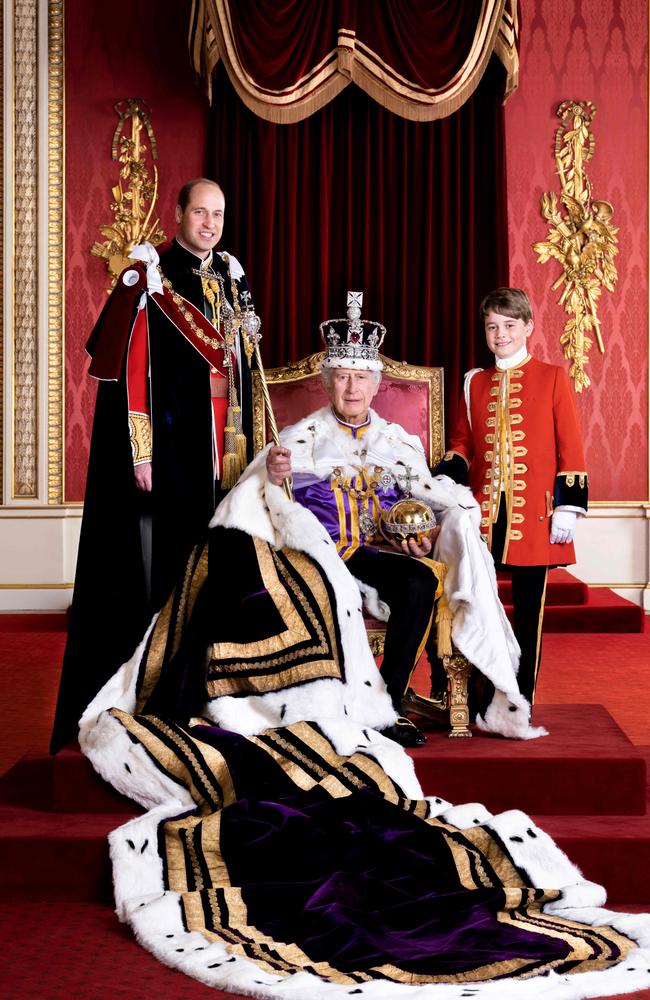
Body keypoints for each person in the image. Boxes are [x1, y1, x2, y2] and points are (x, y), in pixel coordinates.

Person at [257, 292, 542, 746]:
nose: (352, 388)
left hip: (372, 553)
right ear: (328, 383)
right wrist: (274, 476)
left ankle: (386, 706)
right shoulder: (302, 437)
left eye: (362, 378)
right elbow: (262, 498)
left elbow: (425, 506)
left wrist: (421, 537)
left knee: (419, 580)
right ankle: (319, 703)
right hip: (318, 553)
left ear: (377, 385)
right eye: (344, 377)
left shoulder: (398, 441)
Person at [50, 178, 257, 754]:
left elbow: (243, 367)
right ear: (180, 213)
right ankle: (167, 691)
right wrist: (141, 453)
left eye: (218, 213)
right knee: (176, 569)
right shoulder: (152, 274)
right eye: (201, 212)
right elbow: (133, 373)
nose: (211, 223)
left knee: (222, 567)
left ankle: (214, 684)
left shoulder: (232, 277)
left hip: (227, 443)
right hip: (173, 446)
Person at [437, 287, 588, 707]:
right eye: (492, 326)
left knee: (527, 615)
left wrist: (568, 507)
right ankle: (481, 697)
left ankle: (521, 699)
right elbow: (462, 442)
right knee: (482, 610)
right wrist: (451, 466)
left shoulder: (553, 376)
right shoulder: (474, 382)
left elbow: (570, 447)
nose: (500, 334)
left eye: (508, 325)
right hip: (483, 517)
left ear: (527, 328)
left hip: (536, 517)